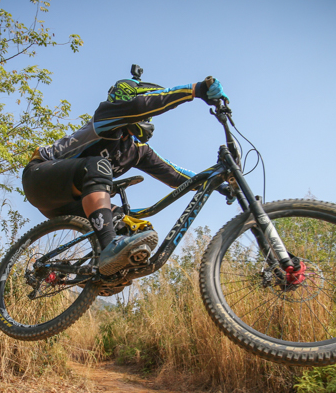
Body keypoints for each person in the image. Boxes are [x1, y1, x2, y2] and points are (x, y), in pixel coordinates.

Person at [22, 71, 230, 277]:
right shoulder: (107, 117)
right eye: (143, 113)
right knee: (97, 166)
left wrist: (217, 183)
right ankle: (109, 247)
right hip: (40, 179)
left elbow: (174, 175)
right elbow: (144, 105)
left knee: (130, 227)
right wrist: (195, 90)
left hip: (71, 204)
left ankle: (101, 278)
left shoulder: (135, 151)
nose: (146, 117)